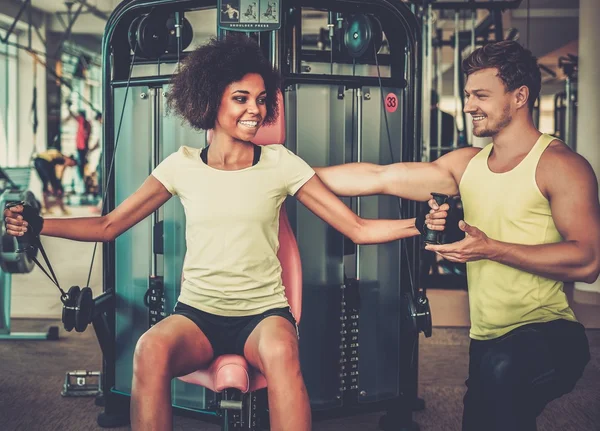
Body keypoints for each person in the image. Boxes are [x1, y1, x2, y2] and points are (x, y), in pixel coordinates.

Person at [4, 35, 448, 431]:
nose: (255, 110)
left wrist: (418, 226)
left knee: (281, 354)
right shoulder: (179, 166)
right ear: (210, 100)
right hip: (197, 314)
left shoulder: (281, 164)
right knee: (149, 350)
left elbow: (356, 227)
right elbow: (108, 225)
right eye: (241, 98)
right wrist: (41, 225)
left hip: (264, 315)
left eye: (260, 99)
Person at [314, 40, 599, 430]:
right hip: (487, 341)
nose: (467, 106)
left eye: (481, 95)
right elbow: (378, 177)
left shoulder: (561, 166)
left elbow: (587, 261)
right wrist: (292, 176)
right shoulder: (467, 165)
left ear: (519, 97)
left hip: (549, 334)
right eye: (467, 95)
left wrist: (491, 249)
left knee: (503, 382)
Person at [32, 148, 77, 215]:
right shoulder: (62, 158)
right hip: (45, 162)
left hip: (36, 161)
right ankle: (63, 209)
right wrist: (57, 184)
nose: (70, 166)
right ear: (70, 159)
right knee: (58, 187)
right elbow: (60, 172)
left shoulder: (58, 157)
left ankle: (46, 208)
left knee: (45, 184)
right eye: (71, 164)